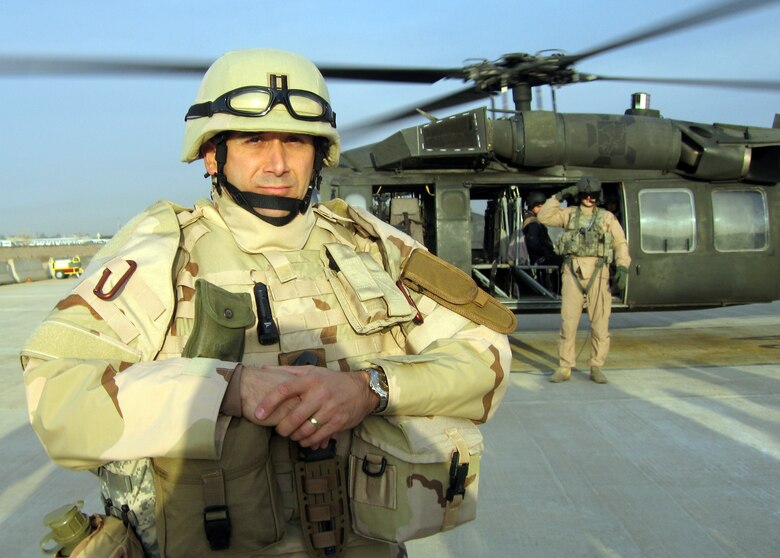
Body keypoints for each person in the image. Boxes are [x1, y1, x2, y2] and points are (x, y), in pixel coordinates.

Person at [21, 49, 515, 558]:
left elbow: (486, 356)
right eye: (254, 139)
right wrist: (227, 389)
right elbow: (55, 395)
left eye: (296, 141)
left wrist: (371, 388)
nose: (278, 164)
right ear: (213, 154)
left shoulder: (373, 246)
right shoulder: (163, 252)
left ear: (318, 154)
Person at [537, 177, 630, 384]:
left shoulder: (607, 218)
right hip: (573, 270)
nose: (589, 199)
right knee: (568, 322)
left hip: (599, 272)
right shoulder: (569, 215)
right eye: (586, 195)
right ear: (579, 196)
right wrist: (559, 196)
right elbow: (544, 217)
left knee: (600, 324)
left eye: (594, 196)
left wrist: (623, 266)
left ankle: (596, 365)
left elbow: (620, 243)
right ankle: (564, 366)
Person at [522, 191, 563, 292]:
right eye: (541, 207)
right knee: (563, 263)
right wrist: (547, 253)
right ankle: (559, 291)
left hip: (540, 257)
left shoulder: (532, 220)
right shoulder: (532, 222)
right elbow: (533, 243)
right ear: (534, 207)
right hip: (540, 259)